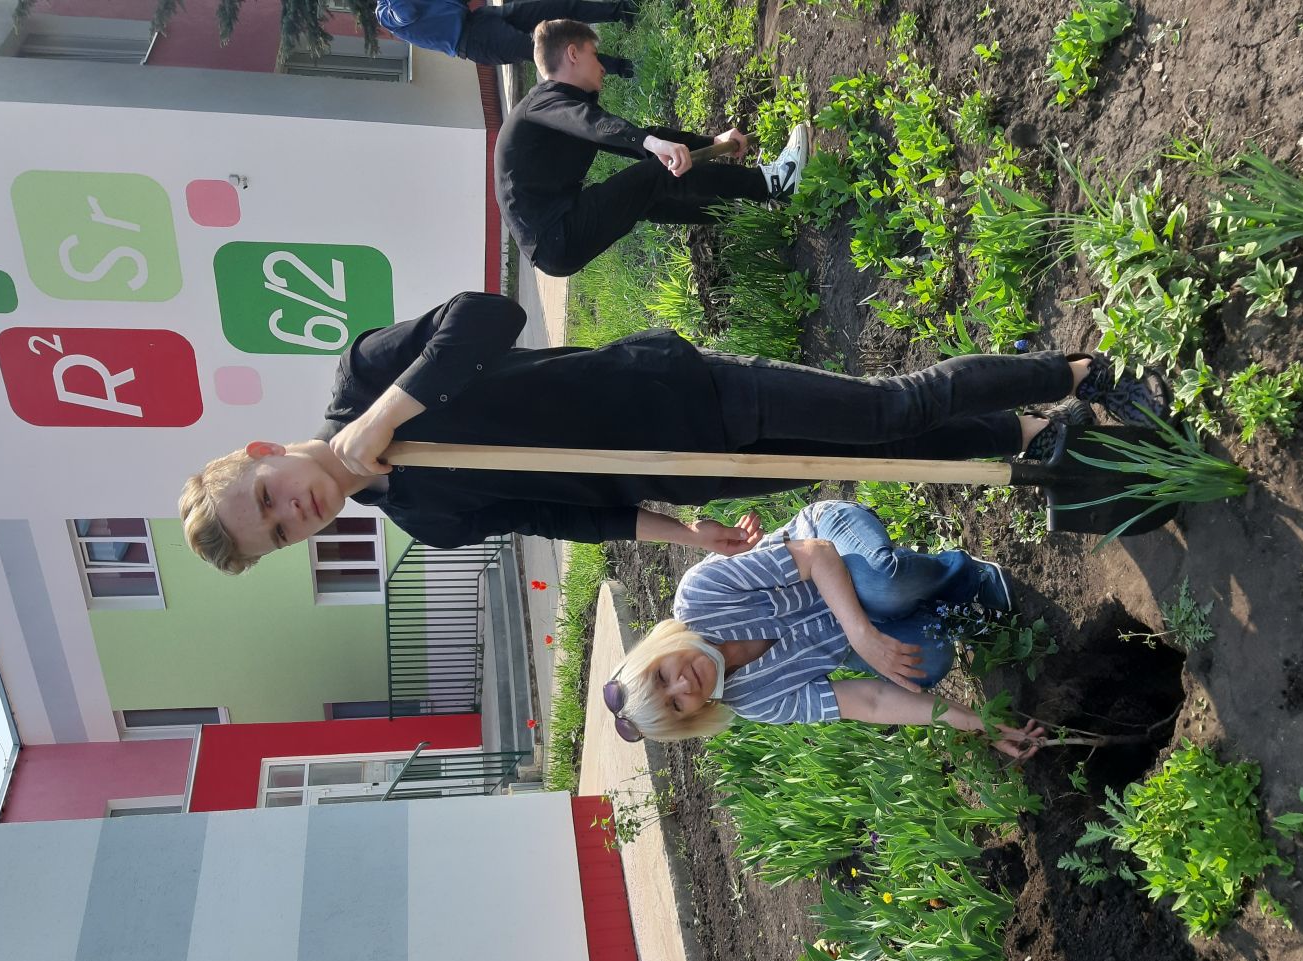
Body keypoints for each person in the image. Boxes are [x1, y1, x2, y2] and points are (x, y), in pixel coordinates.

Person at [177, 290, 1166, 575]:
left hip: (680, 392)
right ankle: (1037, 429)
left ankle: (1082, 372)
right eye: (282, 533)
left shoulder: (362, 376)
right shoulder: (425, 519)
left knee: (885, 411)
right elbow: (565, 519)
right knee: (886, 454)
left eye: (268, 498)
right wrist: (679, 533)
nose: (295, 511)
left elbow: (485, 318)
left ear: (262, 454)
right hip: (689, 471)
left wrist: (385, 416)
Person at [601, 500, 1047, 758]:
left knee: (883, 583)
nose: (683, 684)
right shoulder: (755, 701)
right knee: (926, 661)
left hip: (832, 542)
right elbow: (869, 702)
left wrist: (863, 637)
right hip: (854, 632)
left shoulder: (699, 597)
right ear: (692, 717)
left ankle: (967, 577)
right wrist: (975, 722)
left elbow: (817, 554)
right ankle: (946, 611)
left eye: (662, 676)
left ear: (656, 652)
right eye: (676, 705)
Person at [495, 18, 811, 277]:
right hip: (555, 236)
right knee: (660, 171)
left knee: (648, 197)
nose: (603, 66)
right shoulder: (544, 105)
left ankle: (742, 209)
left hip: (557, 240)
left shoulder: (561, 105)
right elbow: (593, 124)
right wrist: (654, 145)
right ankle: (774, 184)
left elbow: (633, 137)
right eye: (595, 54)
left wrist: (713, 143)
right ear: (573, 54)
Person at [375, 0, 639, 77]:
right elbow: (407, 12)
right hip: (475, 41)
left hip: (480, 18)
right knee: (555, 51)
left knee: (554, 8)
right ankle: (623, 68)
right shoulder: (385, 13)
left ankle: (622, 11)